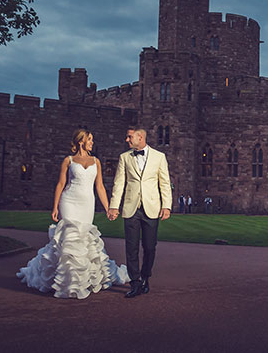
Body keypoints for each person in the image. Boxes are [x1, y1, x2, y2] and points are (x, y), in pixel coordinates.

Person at [17, 129, 129, 299]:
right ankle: (66, 282)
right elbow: (61, 184)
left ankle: (82, 280)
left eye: (92, 139)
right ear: (80, 141)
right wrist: (55, 207)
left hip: (87, 203)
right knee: (68, 238)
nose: (92, 142)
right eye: (89, 139)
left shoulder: (96, 161)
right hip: (69, 201)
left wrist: (108, 208)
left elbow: (99, 186)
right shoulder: (68, 161)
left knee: (83, 239)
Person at [108, 128, 172, 299]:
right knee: (131, 248)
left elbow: (165, 183)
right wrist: (114, 206)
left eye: (130, 137)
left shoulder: (159, 157)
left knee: (150, 247)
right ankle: (135, 282)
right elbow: (119, 183)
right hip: (131, 208)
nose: (127, 139)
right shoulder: (124, 157)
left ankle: (145, 277)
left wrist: (167, 206)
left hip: (152, 208)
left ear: (140, 137)